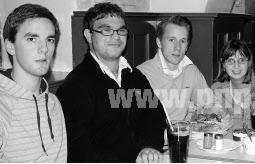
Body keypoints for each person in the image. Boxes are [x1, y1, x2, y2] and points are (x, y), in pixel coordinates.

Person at [56, 2, 166, 162]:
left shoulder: (134, 76)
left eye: (121, 30)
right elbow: (78, 148)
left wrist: (149, 146)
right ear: (88, 35)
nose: (116, 36)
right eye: (106, 30)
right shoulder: (76, 86)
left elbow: (153, 115)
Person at [0, 4, 67, 162]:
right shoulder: (3, 106)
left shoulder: (53, 102)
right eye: (32, 39)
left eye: (50, 40)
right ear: (10, 45)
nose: (44, 49)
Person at [137, 15, 229, 124]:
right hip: (151, 139)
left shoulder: (191, 71)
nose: (178, 47)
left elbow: (211, 104)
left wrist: (214, 113)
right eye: (172, 40)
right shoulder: (140, 74)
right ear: (159, 42)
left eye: (183, 41)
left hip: (182, 136)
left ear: (187, 46)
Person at [212, 39, 255, 127]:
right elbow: (215, 118)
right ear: (223, 64)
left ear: (249, 62)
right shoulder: (218, 89)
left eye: (241, 60)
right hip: (233, 139)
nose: (236, 66)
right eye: (231, 60)